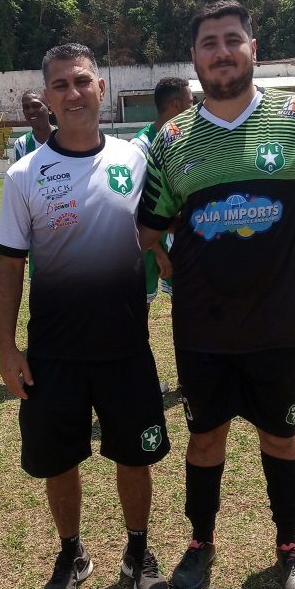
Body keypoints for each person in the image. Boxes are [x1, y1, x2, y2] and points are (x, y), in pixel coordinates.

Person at [138, 0, 295, 589]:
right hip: (203, 328)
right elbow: (149, 225)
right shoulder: (173, 140)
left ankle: (288, 544)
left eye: (232, 39)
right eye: (209, 43)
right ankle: (201, 541)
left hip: (278, 322)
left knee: (280, 436)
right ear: (195, 59)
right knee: (205, 437)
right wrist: (161, 254)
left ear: (253, 49)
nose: (221, 51)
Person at [0, 43, 170, 589]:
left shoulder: (137, 159)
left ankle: (137, 550)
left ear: (102, 88)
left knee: (134, 457)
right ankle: (72, 553)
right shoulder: (25, 175)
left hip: (125, 347)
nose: (73, 92)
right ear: (47, 96)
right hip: (54, 354)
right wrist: (6, 348)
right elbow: (9, 265)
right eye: (61, 84)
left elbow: (161, 235)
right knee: (59, 460)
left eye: (82, 81)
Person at [131, 77, 194, 391]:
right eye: (191, 101)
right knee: (136, 317)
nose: (193, 107)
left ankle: (189, 377)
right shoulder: (140, 148)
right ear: (176, 105)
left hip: (176, 246)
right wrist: (158, 251)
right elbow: (133, 210)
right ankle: (139, 383)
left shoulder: (183, 140)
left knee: (184, 313)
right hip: (149, 248)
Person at [13, 90, 54, 161]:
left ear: (49, 109)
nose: (31, 111)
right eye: (26, 107)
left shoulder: (65, 138)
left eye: (36, 106)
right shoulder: (21, 144)